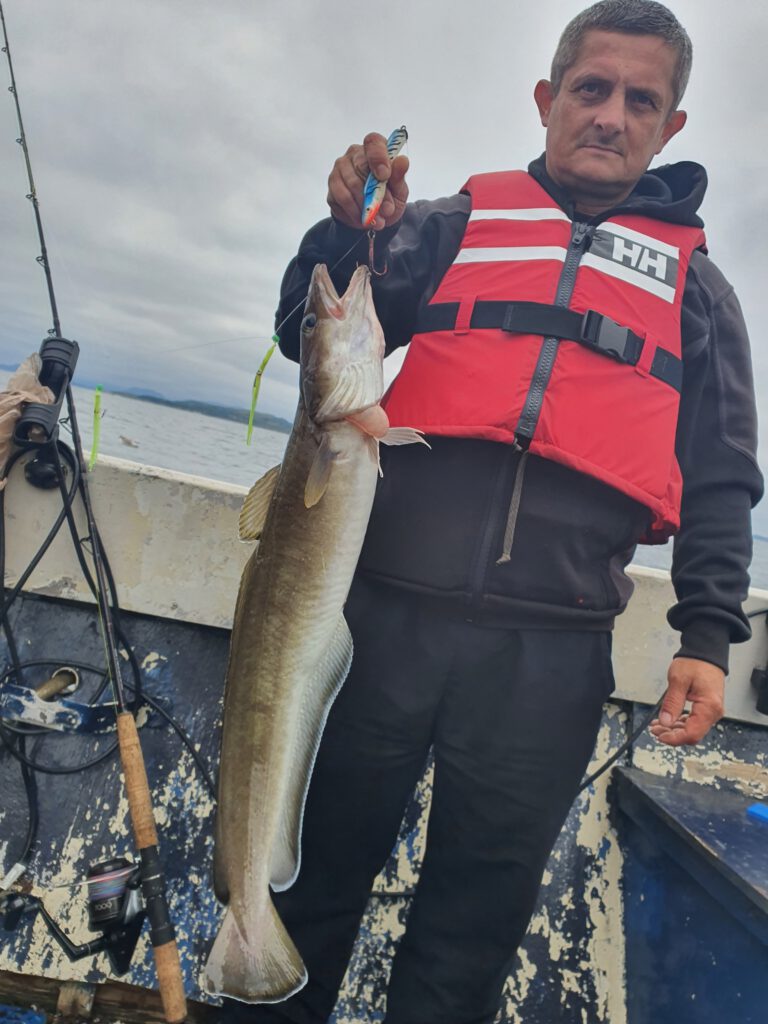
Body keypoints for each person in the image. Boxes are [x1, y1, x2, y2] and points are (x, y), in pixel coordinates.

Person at [243, 2, 763, 1022]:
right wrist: (346, 229)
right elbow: (306, 328)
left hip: (550, 657)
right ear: (547, 98)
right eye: (591, 88)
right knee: (308, 885)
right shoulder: (448, 225)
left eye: (641, 100)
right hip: (378, 625)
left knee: (470, 933)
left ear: (670, 125)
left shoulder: (700, 293)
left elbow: (722, 474)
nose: (611, 115)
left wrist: (707, 635)